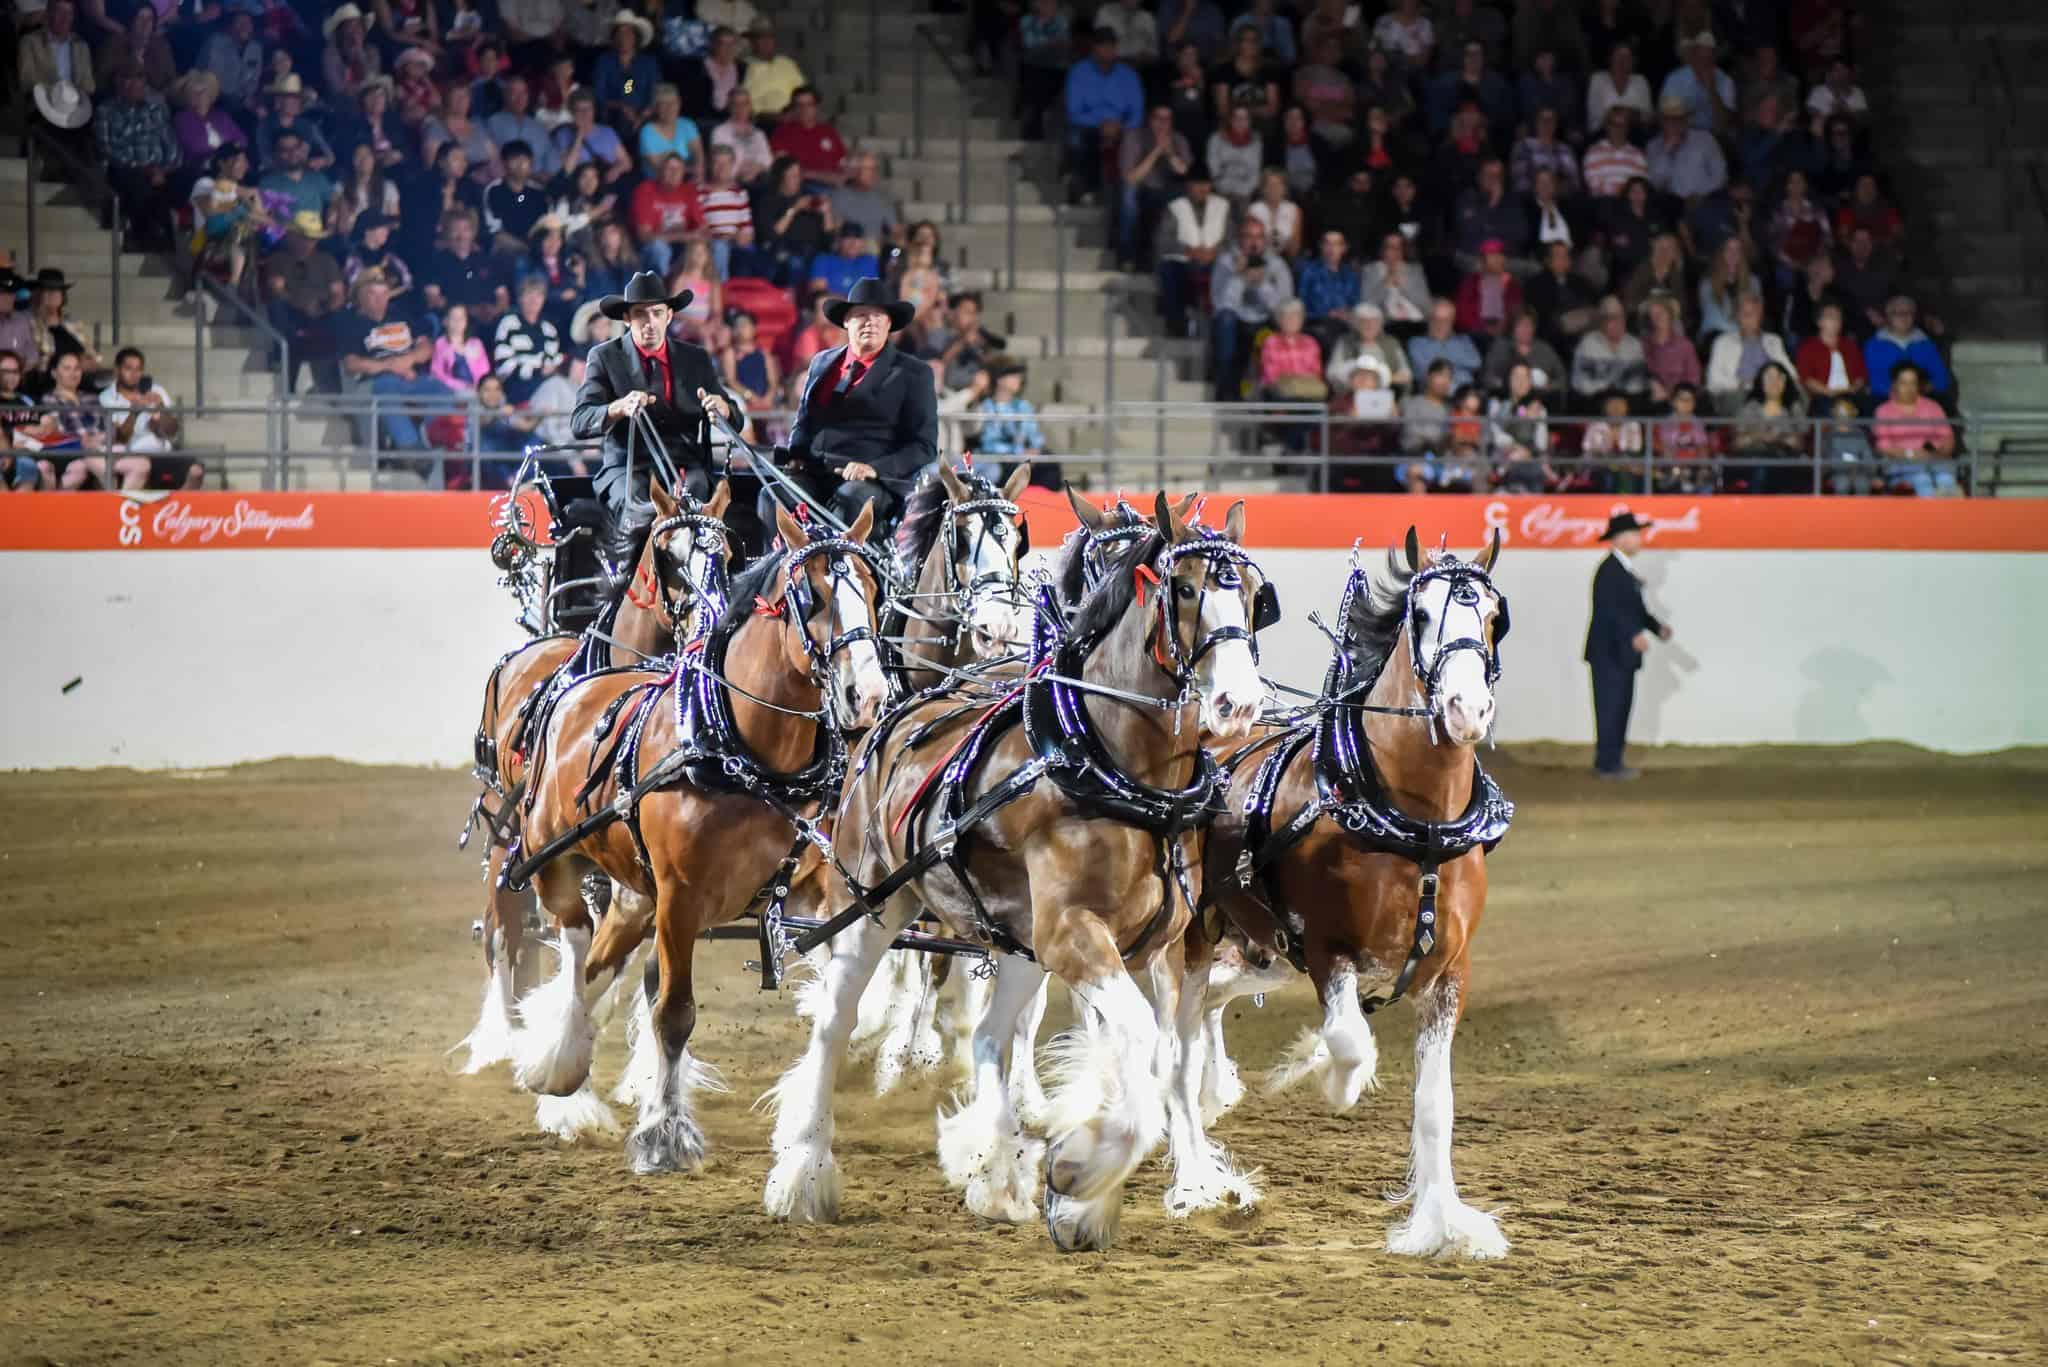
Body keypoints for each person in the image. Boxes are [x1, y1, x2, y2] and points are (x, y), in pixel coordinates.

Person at [571, 271, 736, 550]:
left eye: (657, 313)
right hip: (628, 468)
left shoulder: (695, 358)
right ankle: (630, 573)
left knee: (700, 504)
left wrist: (724, 409)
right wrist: (618, 407)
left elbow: (735, 416)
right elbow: (580, 421)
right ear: (627, 318)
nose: (650, 323)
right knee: (642, 509)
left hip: (685, 467)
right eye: (640, 314)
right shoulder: (604, 357)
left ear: (669, 316)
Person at [757, 277, 935, 533]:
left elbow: (924, 446)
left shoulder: (914, 373)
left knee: (849, 501)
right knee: (772, 496)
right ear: (846, 321)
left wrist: (874, 469)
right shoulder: (821, 363)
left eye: (878, 316)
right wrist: (796, 455)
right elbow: (804, 422)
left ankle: (839, 560)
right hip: (816, 473)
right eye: (862, 315)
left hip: (872, 482)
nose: (870, 322)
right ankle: (780, 559)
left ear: (889, 324)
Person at [1583, 511, 1670, 780]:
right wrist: (1633, 634)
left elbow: (1634, 610)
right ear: (1619, 539)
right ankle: (1607, 764)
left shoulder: (1620, 570)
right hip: (1610, 653)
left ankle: (1612, 761)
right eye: (1634, 535)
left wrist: (1655, 628)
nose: (1639, 540)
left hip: (1618, 653)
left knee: (1619, 708)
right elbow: (1609, 610)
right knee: (1611, 709)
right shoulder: (1610, 570)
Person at [334, 270, 451, 453]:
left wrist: (409, 359)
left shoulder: (400, 316)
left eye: (383, 294)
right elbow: (351, 364)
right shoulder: (351, 322)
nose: (380, 299)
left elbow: (426, 347)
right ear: (360, 296)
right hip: (374, 381)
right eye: (373, 294)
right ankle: (410, 448)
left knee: (440, 390)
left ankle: (438, 441)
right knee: (387, 391)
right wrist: (390, 366)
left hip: (409, 376)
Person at [1064, 29, 1145, 204]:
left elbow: (1137, 112)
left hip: (1121, 127)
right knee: (1077, 138)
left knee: (1135, 139)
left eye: (1111, 46)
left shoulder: (1128, 75)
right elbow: (1073, 112)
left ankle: (1124, 194)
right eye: (1103, 46)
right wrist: (1102, 124)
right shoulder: (1079, 72)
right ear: (1094, 48)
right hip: (1088, 126)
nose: (1108, 50)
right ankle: (1086, 189)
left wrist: (1120, 126)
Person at [98, 345, 194, 488]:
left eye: (138, 369)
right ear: (117, 370)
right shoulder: (106, 397)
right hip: (129, 457)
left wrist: (160, 409)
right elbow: (120, 438)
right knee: (141, 467)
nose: (134, 374)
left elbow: (171, 431)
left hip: (161, 454)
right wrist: (134, 412)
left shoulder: (156, 390)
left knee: (195, 470)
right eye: (129, 368)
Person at [1872, 364, 1959, 496]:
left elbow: (1947, 438)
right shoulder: (1883, 411)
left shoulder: (1932, 407)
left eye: (1913, 383)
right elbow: (1883, 446)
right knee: (1922, 479)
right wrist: (1911, 454)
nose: (1909, 388)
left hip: (1934, 460)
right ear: (1894, 384)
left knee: (1946, 480)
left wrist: (1936, 453)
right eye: (1904, 383)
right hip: (1901, 465)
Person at [974, 360, 1050, 485]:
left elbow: (1034, 434)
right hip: (1000, 458)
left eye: (1018, 376)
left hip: (1023, 455)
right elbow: (989, 444)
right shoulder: (986, 406)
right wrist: (1018, 452)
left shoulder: (1024, 406)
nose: (1018, 379)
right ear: (999, 379)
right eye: (1013, 375)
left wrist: (1034, 449)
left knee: (1049, 463)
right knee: (1009, 468)